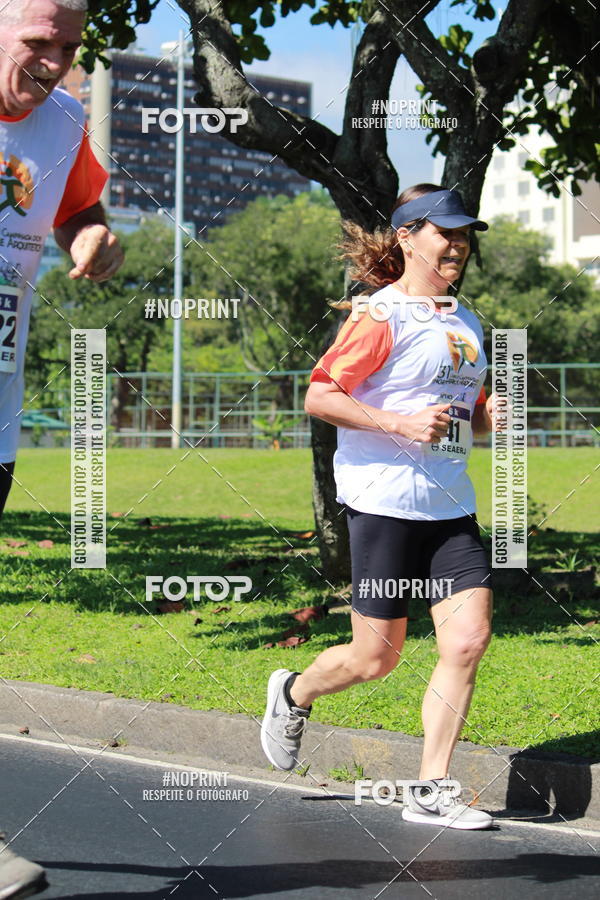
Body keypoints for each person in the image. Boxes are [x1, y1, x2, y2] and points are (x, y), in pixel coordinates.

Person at [261, 184, 502, 830]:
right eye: (444, 233)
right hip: (383, 505)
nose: (457, 244)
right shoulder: (381, 315)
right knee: (377, 657)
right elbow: (319, 396)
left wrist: (485, 419)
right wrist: (398, 422)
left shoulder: (465, 320)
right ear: (406, 237)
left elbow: (456, 420)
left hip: (450, 506)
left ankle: (431, 788)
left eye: (463, 234)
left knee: (468, 638)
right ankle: (293, 692)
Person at [0, 1, 124, 894]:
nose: (55, 61)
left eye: (70, 46)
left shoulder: (67, 119)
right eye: (38, 41)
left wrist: (93, 237)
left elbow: (80, 207)